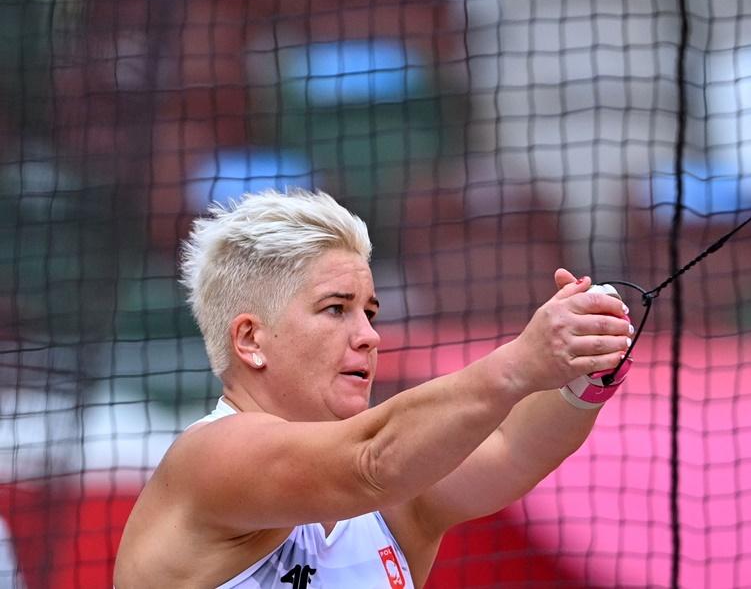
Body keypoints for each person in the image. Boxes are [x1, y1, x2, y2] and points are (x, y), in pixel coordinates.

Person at [114, 188, 634, 588]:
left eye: (370, 312)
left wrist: (584, 375)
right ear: (251, 339)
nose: (368, 336)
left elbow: (509, 448)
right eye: (336, 309)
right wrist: (522, 360)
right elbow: (369, 462)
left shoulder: (396, 501)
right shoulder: (211, 457)